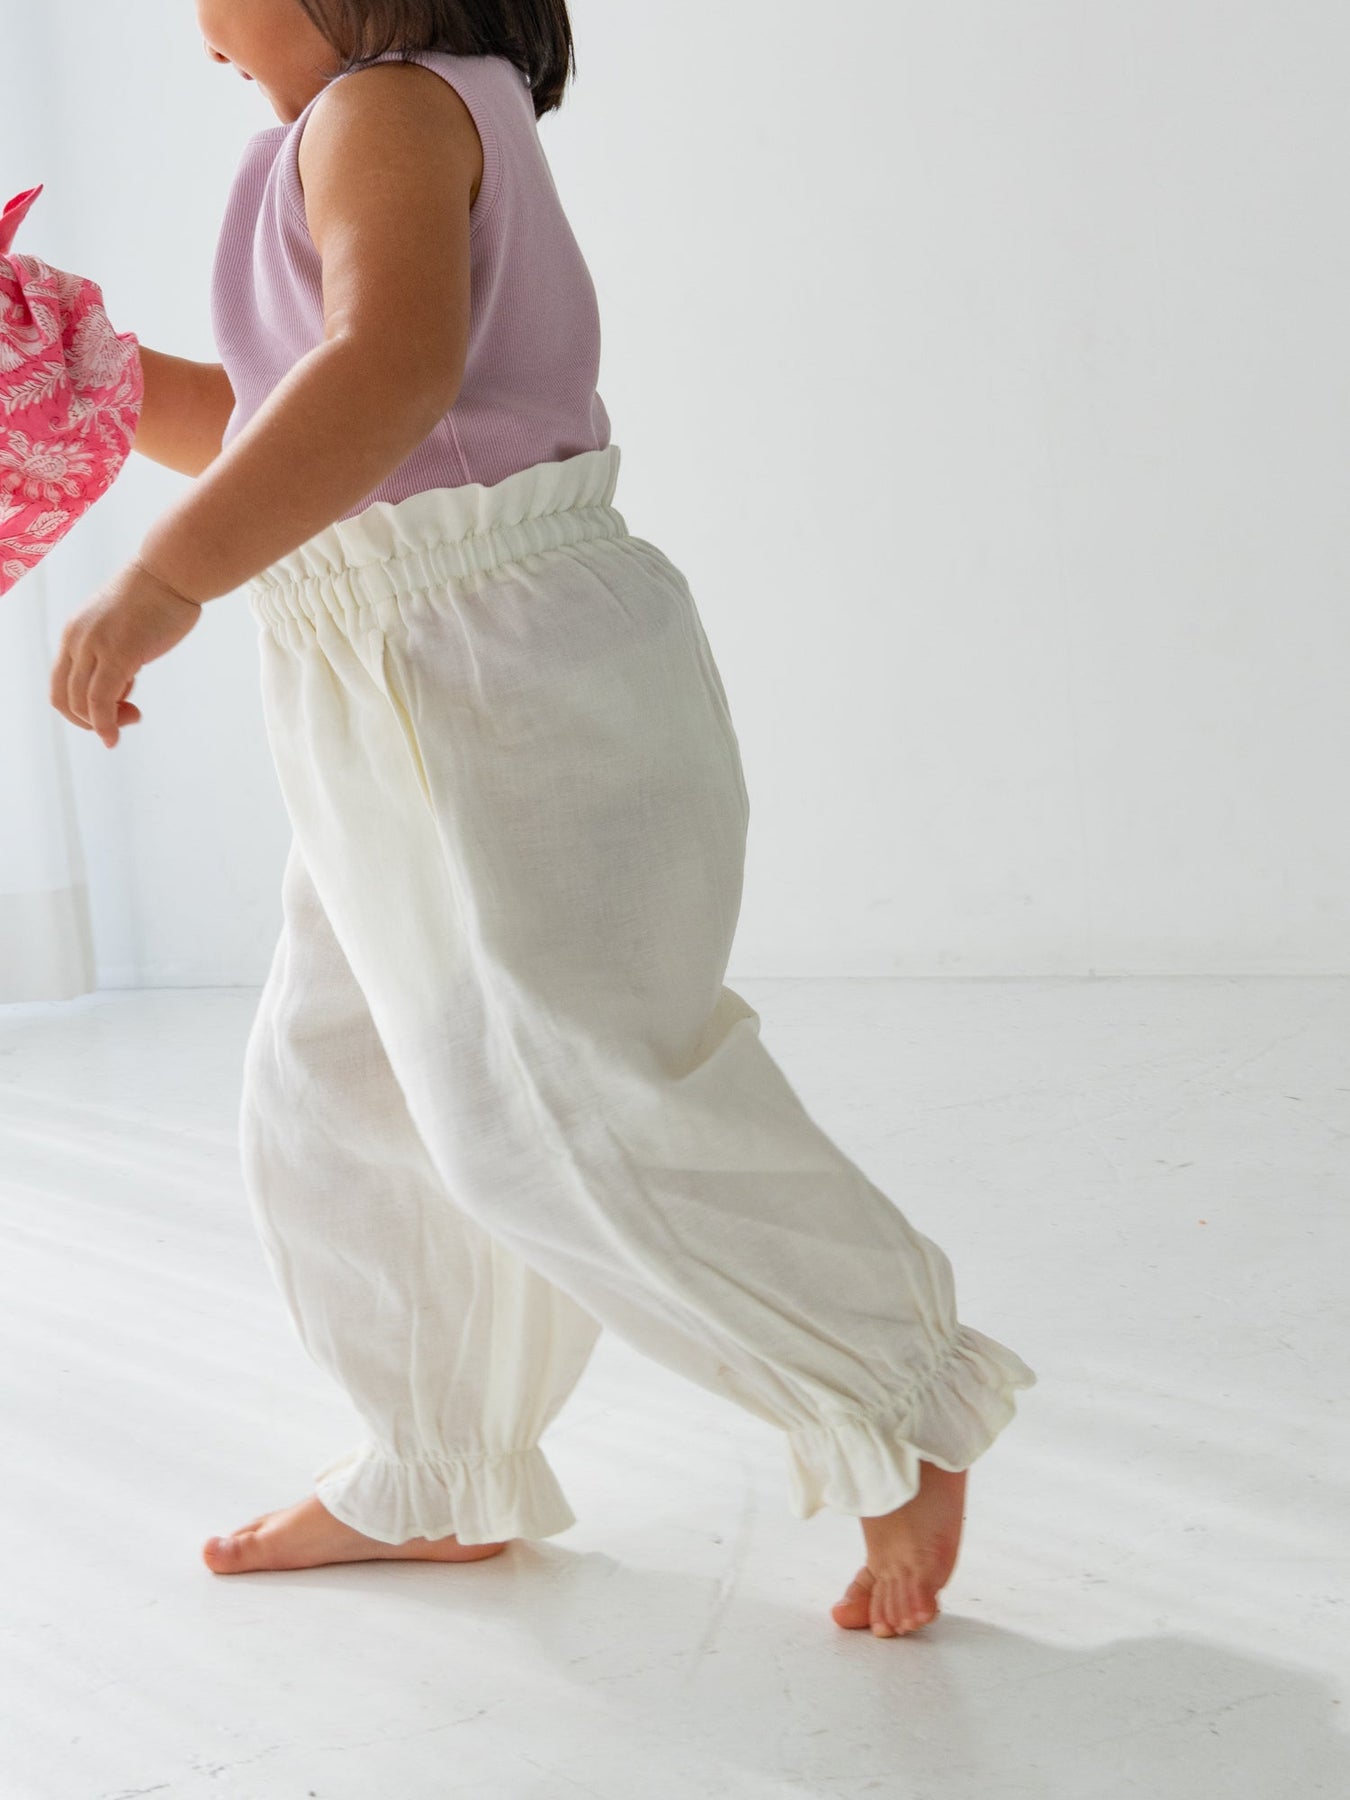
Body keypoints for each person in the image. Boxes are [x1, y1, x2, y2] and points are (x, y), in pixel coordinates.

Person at [48, 0, 1037, 1640]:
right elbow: (305, 423)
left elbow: (386, 377)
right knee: (344, 1083)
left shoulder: (383, 111)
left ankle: (891, 1388)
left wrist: (165, 579)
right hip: (404, 665)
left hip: (489, 669)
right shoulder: (370, 122)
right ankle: (439, 1465)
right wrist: (96, 382)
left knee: (568, 1093)